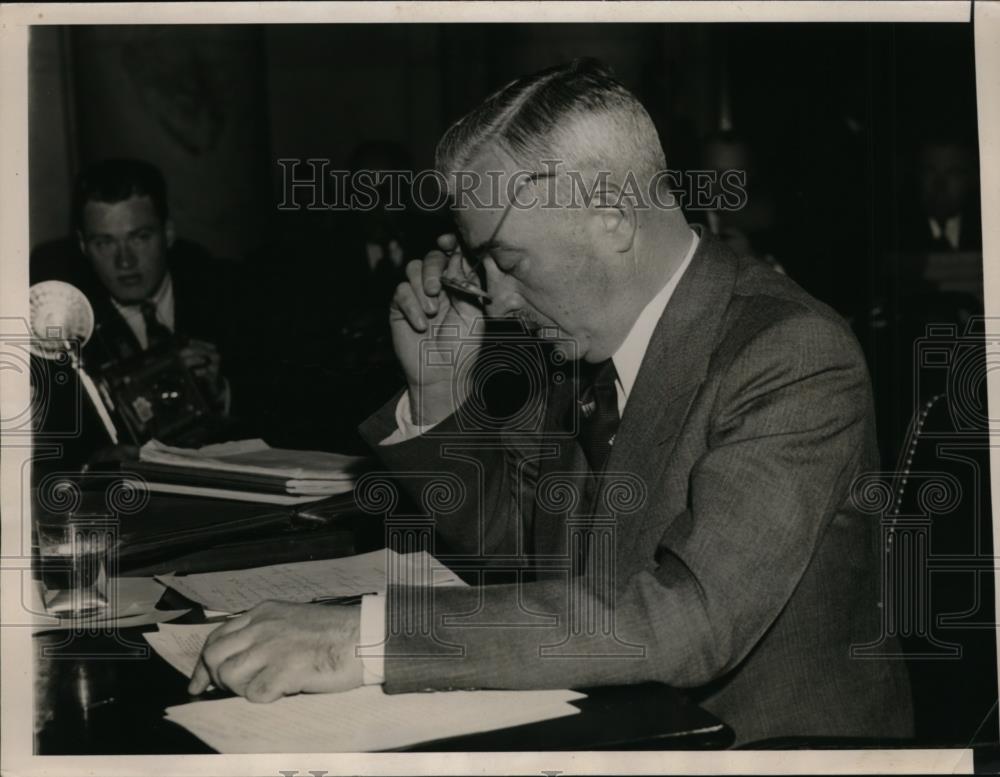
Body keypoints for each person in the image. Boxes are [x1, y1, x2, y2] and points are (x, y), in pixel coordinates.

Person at [189, 60, 914, 746]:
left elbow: (689, 619)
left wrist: (362, 637)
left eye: (507, 260)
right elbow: (523, 559)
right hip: (617, 726)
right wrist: (441, 392)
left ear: (612, 216)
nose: (497, 301)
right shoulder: (583, 346)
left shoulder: (790, 354)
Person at [31, 158, 234, 466]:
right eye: (104, 242)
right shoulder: (59, 317)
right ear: (83, 246)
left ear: (167, 233)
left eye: (140, 237)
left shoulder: (221, 291)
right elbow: (46, 449)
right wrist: (96, 462)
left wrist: (221, 393)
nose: (124, 261)